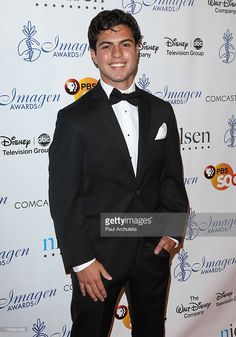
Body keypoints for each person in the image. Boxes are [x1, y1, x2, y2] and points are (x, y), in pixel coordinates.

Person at [49, 9, 188, 337]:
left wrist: (169, 235)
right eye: (106, 46)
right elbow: (64, 198)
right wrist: (81, 262)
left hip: (152, 253)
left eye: (125, 44)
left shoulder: (162, 110)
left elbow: (171, 179)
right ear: (93, 55)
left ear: (138, 47)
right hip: (99, 261)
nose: (116, 54)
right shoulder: (73, 119)